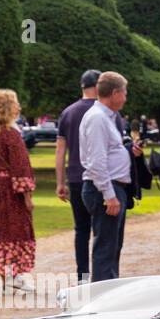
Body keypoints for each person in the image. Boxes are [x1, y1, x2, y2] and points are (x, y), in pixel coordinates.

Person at [79, 72, 136, 282]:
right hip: (104, 189)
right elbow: (96, 161)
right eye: (124, 92)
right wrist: (109, 194)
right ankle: (102, 297)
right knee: (105, 248)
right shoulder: (97, 118)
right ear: (114, 93)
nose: (125, 97)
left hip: (111, 187)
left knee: (112, 247)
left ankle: (109, 290)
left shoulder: (107, 117)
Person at [0, 89, 36, 288]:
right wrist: (27, 196)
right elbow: (20, 166)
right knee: (16, 230)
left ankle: (4, 276)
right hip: (9, 191)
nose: (19, 107)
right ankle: (15, 275)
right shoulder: (11, 135)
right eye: (16, 103)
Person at [55, 69, 100, 281]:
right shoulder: (104, 111)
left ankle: (82, 274)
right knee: (101, 229)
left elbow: (60, 150)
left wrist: (59, 182)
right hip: (98, 176)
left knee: (81, 229)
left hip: (75, 176)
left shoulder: (68, 112)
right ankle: (102, 274)